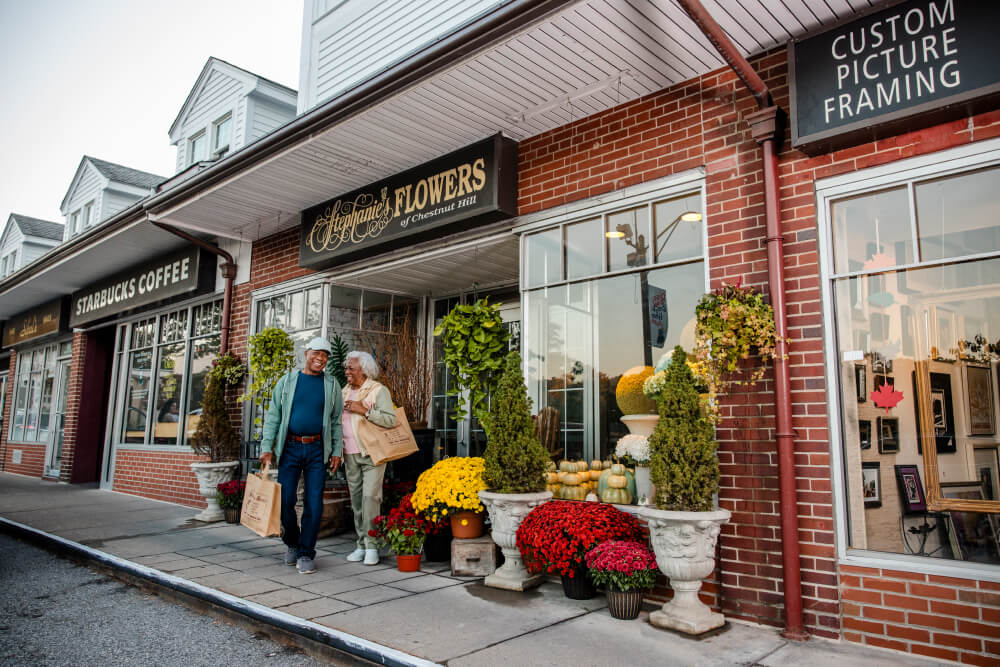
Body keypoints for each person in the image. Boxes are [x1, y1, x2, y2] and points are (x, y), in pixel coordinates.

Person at [259, 337, 343, 574]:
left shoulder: (332, 385)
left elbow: (336, 421)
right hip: (290, 448)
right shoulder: (287, 382)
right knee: (285, 501)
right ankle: (293, 544)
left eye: (325, 355)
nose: (321, 358)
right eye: (317, 353)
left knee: (314, 504)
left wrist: (336, 450)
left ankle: (306, 552)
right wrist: (267, 447)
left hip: (317, 449)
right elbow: (274, 415)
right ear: (306, 353)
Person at [341, 350, 398, 566]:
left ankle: (373, 546)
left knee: (370, 499)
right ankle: (361, 544)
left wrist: (364, 410)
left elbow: (390, 420)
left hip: (372, 453)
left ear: (363, 370)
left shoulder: (377, 390)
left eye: (351, 368)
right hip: (350, 453)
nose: (347, 371)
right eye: (346, 368)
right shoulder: (343, 391)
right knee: (356, 501)